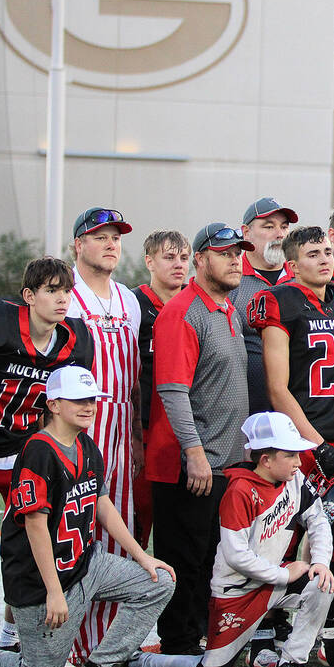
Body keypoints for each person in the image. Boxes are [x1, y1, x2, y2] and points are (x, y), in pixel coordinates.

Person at [0, 366, 175, 667]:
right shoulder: (39, 452)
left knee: (159, 582)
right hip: (42, 582)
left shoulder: (86, 445)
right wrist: (55, 592)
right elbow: (36, 526)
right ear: (54, 404)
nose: (88, 406)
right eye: (77, 400)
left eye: (91, 399)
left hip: (85, 565)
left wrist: (142, 556)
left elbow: (101, 503)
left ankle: (100, 666)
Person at [129, 412, 334, 667]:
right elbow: (236, 555)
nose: (299, 462)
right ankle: (141, 661)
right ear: (266, 459)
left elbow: (318, 519)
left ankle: (290, 665)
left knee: (322, 584)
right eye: (291, 455)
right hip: (237, 592)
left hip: (273, 581)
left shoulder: (295, 478)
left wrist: (321, 562)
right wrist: (284, 574)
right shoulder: (239, 490)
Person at [0, 258, 94, 667]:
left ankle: (9, 633)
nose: (62, 299)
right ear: (29, 296)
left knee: (24, 546)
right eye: (52, 290)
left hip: (25, 451)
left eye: (66, 291)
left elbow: (67, 403)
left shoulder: (76, 339)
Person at [249, 225, 334, 667]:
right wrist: (315, 446)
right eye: (312, 254)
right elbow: (278, 388)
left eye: (325, 251)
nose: (323, 259)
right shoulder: (278, 300)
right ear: (292, 265)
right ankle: (265, 636)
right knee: (280, 537)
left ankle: (331, 636)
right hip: (294, 440)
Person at [150, 222, 252, 656]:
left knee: (211, 557)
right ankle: (177, 644)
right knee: (185, 559)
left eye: (238, 253)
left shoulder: (227, 308)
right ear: (200, 259)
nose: (235, 260)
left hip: (222, 460)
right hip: (189, 462)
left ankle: (195, 637)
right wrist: (194, 454)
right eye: (225, 252)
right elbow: (173, 391)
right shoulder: (182, 312)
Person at [66, 207, 142, 661]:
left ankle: (108, 644)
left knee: (119, 528)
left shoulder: (127, 300)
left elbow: (131, 378)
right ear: (79, 244)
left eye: (116, 237)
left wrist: (133, 434)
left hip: (120, 423)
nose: (111, 243)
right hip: (79, 421)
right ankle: (68, 639)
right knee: (74, 525)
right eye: (100, 236)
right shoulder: (67, 296)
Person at [132, 231, 191, 548]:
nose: (178, 265)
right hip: (145, 427)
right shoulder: (133, 305)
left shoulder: (195, 303)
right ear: (149, 262)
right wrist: (133, 435)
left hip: (188, 429)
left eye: (183, 257)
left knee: (182, 524)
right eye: (169, 257)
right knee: (139, 517)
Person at [229, 198, 298, 414]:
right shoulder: (231, 278)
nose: (279, 234)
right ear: (246, 232)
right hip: (244, 408)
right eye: (269, 226)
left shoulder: (301, 277)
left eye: (284, 227)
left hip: (297, 410)